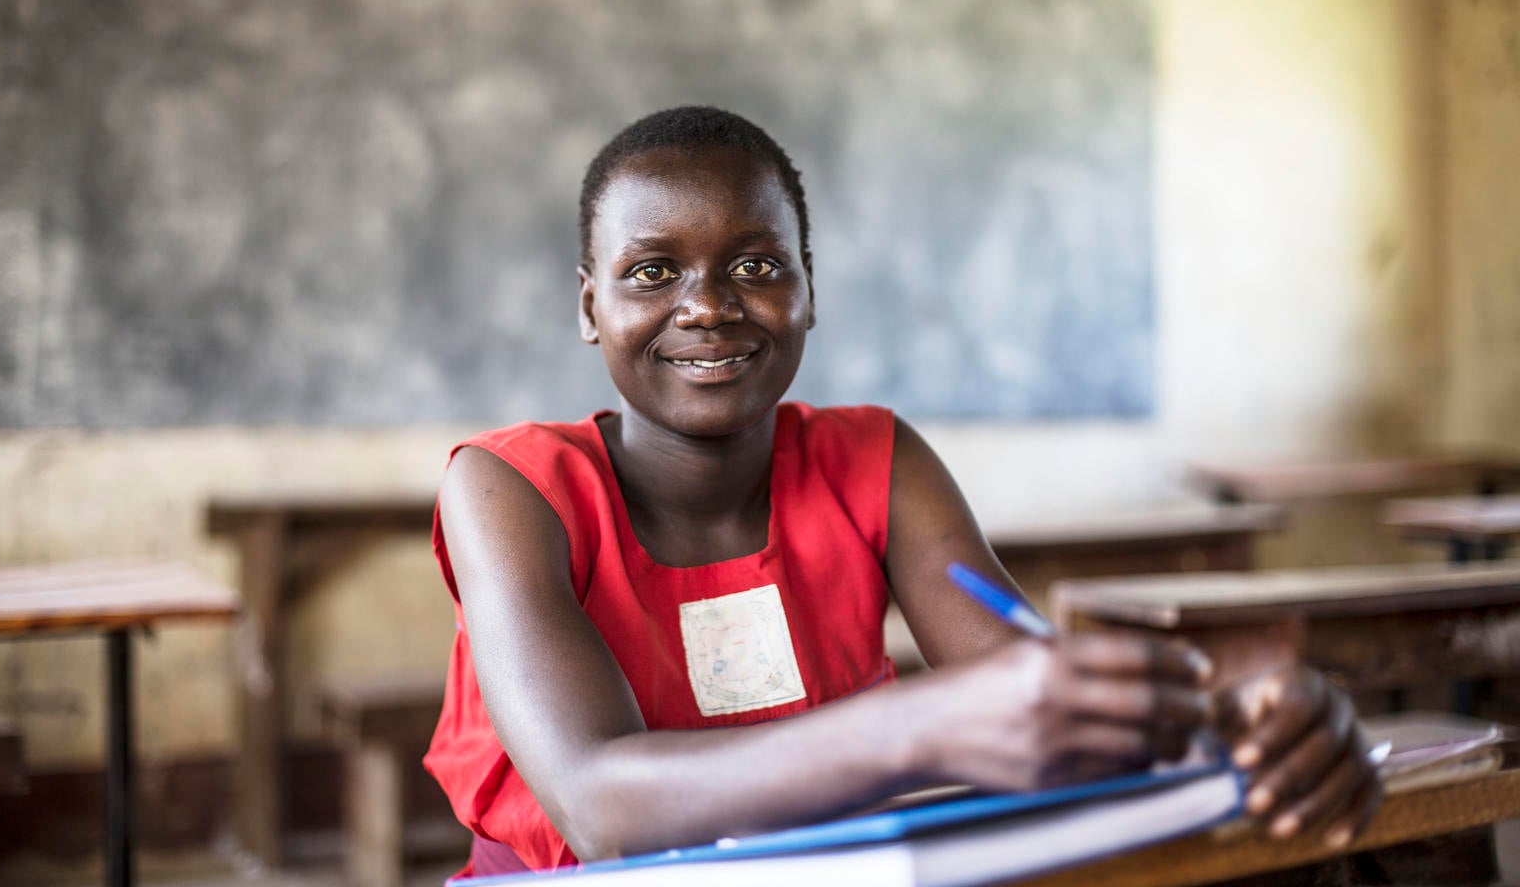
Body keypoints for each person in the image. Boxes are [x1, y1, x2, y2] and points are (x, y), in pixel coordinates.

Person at [424, 106, 1380, 876]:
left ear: (809, 290)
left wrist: (1256, 717)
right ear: (591, 307)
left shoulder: (874, 461)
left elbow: (1046, 708)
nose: (708, 304)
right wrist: (917, 728)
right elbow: (601, 812)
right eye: (651, 271)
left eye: (756, 265)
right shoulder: (511, 488)